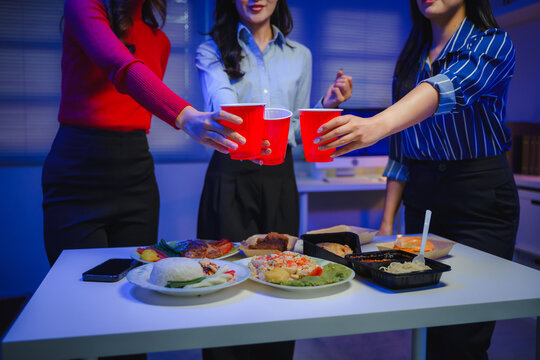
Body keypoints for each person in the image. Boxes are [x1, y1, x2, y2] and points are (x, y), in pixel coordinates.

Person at [315, 0, 518, 359]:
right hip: (422, 196)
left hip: (479, 194)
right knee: (428, 318)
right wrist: (387, 223)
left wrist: (375, 124)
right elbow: (403, 152)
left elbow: (450, 86)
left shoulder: (492, 42)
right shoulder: (413, 56)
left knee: (464, 330)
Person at [194, 0, 352, 359]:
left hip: (280, 176)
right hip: (229, 173)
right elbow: (222, 101)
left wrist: (326, 105)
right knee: (223, 276)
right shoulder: (212, 49)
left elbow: (296, 126)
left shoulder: (301, 55)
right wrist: (247, 128)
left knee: (284, 278)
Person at [42, 0, 247, 267]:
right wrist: (185, 116)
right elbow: (122, 66)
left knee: (134, 282)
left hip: (136, 174)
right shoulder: (84, 6)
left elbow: (139, 100)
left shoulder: (160, 40)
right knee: (77, 284)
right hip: (78, 169)